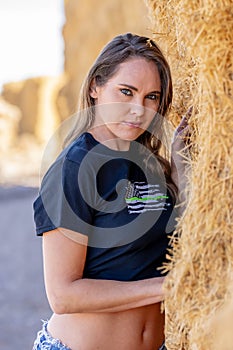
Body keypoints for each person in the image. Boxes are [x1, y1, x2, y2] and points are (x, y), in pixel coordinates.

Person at [32, 33, 189, 350]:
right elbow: (63, 295)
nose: (138, 109)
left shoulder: (153, 166)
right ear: (95, 87)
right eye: (126, 92)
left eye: (152, 97)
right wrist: (167, 287)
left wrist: (180, 169)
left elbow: (180, 233)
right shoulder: (73, 169)